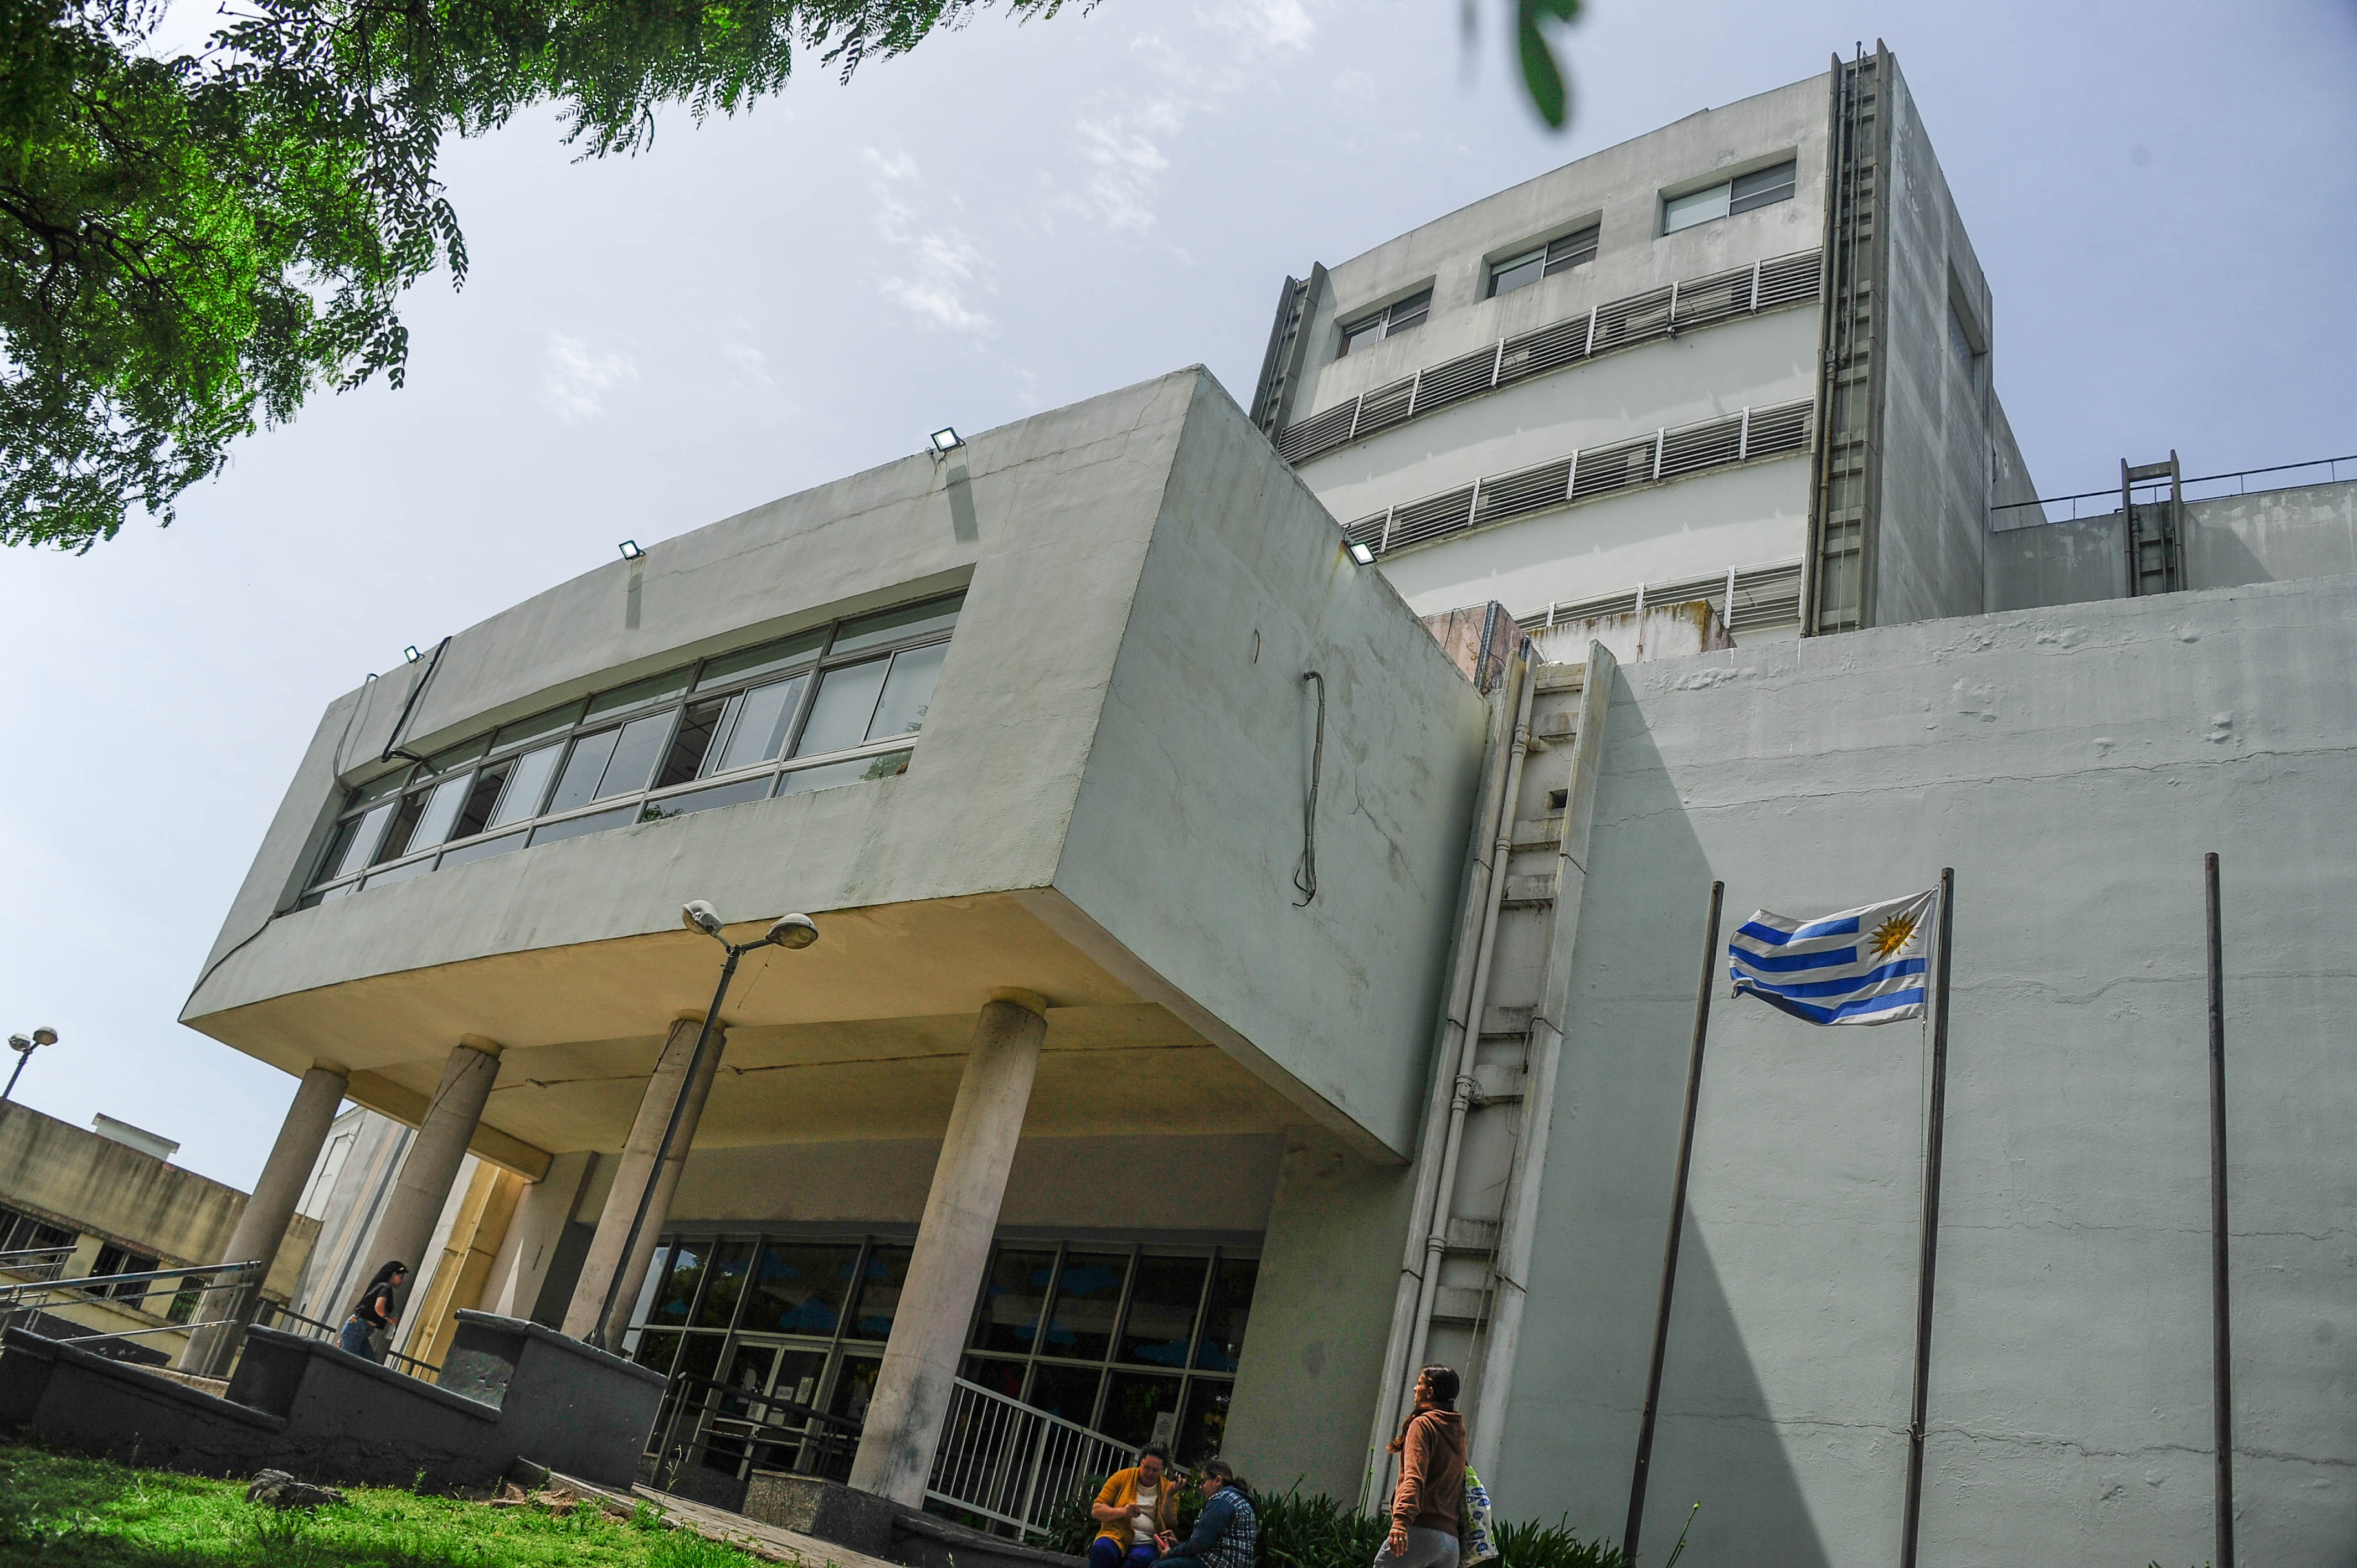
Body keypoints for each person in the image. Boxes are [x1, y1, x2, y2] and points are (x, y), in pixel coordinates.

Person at [1376, 1365, 1468, 1568]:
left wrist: (1400, 1522)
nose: (1415, 1389)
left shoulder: (1423, 1424)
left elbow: (1415, 1477)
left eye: (1419, 1384)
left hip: (1420, 1532)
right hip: (1449, 1544)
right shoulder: (1457, 1430)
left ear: (1431, 1392)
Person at [1153, 1458, 1256, 1568]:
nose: (1201, 1487)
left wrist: (1169, 1553)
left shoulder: (1222, 1501)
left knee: (1160, 1567)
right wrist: (1178, 1546)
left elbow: (1199, 1543)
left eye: (1204, 1481)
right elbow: (1207, 1543)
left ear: (1218, 1480)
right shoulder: (1236, 1499)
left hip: (1219, 1564)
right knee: (1156, 1564)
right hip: (1222, 1561)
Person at [1090, 1443, 1180, 1568]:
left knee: (1141, 1559)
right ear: (1141, 1462)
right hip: (1116, 1535)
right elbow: (1097, 1510)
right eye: (1146, 1467)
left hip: (1148, 1541)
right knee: (1102, 1549)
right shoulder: (1122, 1477)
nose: (1149, 1473)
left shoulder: (1168, 1488)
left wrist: (1169, 1496)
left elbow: (1170, 1523)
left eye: (1155, 1470)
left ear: (1163, 1470)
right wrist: (1123, 1512)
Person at [340, 1261, 408, 1362]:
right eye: (401, 1277)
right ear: (393, 1275)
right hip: (357, 1329)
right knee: (351, 1364)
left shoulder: (380, 1286)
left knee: (369, 1365)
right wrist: (389, 1319)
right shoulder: (386, 1288)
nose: (401, 1281)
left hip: (358, 1329)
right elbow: (379, 1307)